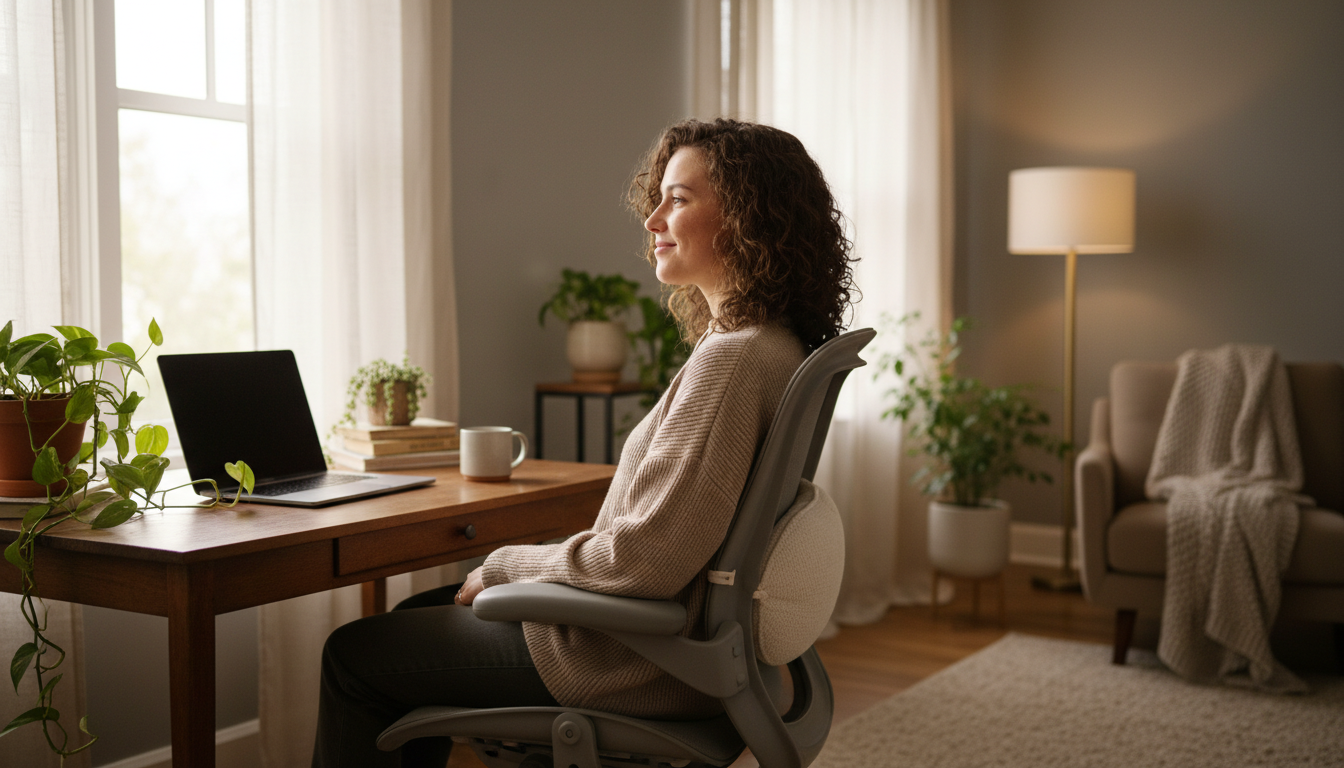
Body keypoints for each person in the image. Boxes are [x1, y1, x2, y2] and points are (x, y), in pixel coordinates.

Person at [311, 118, 856, 767]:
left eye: (679, 199)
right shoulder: (774, 345)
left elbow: (644, 562)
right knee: (415, 615)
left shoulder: (733, 362)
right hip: (660, 643)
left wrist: (505, 565)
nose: (653, 219)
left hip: (625, 660)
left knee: (353, 655)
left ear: (746, 216)